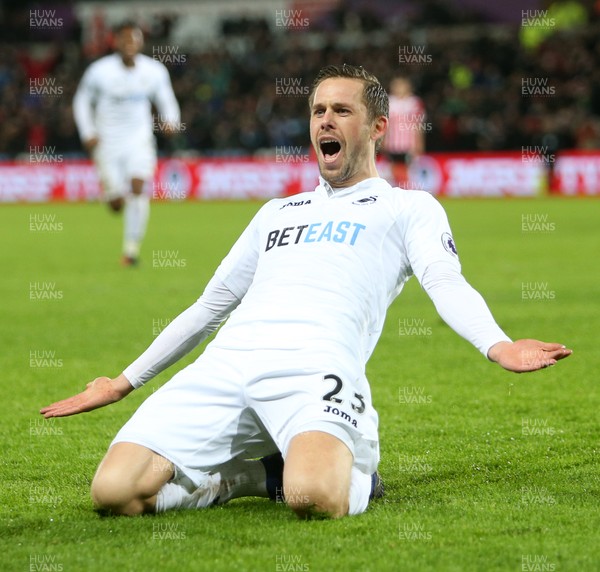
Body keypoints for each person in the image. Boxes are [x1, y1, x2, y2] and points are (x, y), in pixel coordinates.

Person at [42, 64, 572, 519]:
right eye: (319, 110)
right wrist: (123, 382)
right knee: (114, 493)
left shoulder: (408, 208)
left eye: (342, 110)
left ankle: (337, 474)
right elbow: (211, 306)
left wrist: (497, 344)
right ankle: (245, 477)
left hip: (316, 369)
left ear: (378, 126)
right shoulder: (277, 211)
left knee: (313, 499)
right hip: (228, 365)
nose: (325, 120)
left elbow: (445, 283)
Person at [73, 21, 180, 266]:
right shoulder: (99, 71)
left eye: (134, 39)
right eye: (125, 39)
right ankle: (111, 196)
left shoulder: (154, 71)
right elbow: (81, 102)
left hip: (139, 141)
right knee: (116, 204)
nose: (130, 44)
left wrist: (172, 121)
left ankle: (131, 251)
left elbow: (167, 99)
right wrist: (87, 132)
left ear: (141, 42)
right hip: (107, 142)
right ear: (115, 42)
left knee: (138, 187)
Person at [383, 75, 426, 188]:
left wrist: (419, 143)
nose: (398, 88)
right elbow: (384, 124)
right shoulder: (388, 101)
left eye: (401, 85)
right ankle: (394, 192)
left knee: (409, 170)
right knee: (392, 171)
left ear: (408, 87)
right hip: (392, 144)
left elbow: (418, 125)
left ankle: (408, 191)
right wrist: (383, 141)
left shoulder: (414, 103)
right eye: (396, 85)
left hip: (408, 144)